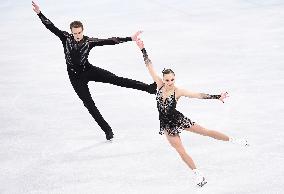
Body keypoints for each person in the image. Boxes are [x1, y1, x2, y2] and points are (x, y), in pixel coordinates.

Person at [32, 1, 156, 141]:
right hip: (75, 78)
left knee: (116, 79)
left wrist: (130, 38)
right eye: (75, 33)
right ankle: (107, 129)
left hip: (88, 70)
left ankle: (149, 89)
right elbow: (51, 27)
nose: (77, 35)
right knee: (89, 104)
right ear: (71, 32)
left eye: (79, 32)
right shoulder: (65, 38)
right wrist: (39, 13)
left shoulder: (89, 42)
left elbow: (110, 40)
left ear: (82, 31)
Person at [135, 38, 248, 187]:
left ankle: (233, 139)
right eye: (167, 80)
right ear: (163, 79)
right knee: (181, 150)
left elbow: (198, 95)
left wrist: (216, 97)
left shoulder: (178, 91)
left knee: (205, 131)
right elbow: (149, 66)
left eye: (172, 79)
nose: (170, 82)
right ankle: (198, 174)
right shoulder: (159, 85)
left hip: (178, 118)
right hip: (167, 124)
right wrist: (142, 49)